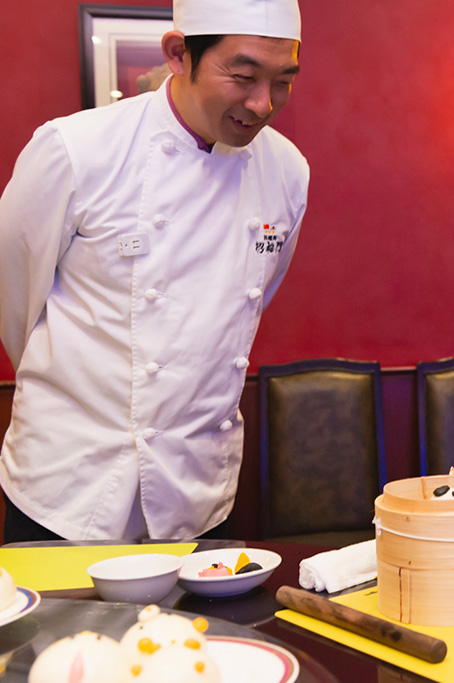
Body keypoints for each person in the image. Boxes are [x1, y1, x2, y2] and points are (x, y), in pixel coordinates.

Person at [0, 0, 309, 542]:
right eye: (242, 76)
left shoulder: (287, 172)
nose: (263, 104)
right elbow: (14, 298)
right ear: (177, 54)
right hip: (66, 484)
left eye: (282, 80)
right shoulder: (74, 149)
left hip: (198, 487)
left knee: (197, 631)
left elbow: (255, 297)